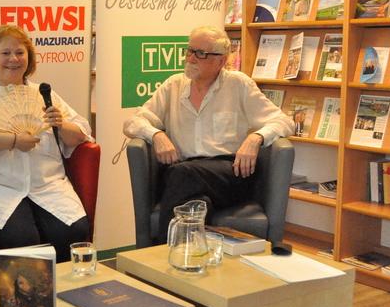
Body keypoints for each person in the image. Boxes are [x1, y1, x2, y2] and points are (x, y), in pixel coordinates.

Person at [123, 25, 294, 245]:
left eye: (200, 53)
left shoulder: (238, 84)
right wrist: (156, 134)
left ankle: (161, 253)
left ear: (221, 60)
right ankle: (195, 255)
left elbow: (284, 121)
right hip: (182, 172)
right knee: (196, 200)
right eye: (189, 51)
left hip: (229, 172)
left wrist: (256, 138)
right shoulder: (173, 85)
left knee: (180, 175)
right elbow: (132, 123)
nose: (191, 58)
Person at [0, 25, 92, 273]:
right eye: (5, 53)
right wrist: (13, 140)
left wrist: (61, 124)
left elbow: (81, 133)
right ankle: (25, 296)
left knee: (74, 229)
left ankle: (66, 291)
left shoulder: (43, 94)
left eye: (20, 53)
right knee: (22, 239)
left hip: (47, 186)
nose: (14, 59)